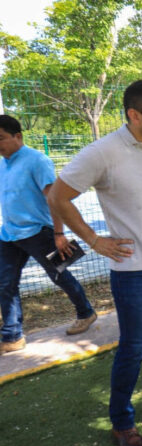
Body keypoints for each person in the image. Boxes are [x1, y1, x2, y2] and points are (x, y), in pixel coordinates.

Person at [48, 80, 142, 446]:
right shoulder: (103, 152)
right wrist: (95, 240)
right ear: (135, 115)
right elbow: (58, 194)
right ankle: (122, 423)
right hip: (133, 270)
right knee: (134, 346)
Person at [0, 115, 97, 354]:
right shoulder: (3, 163)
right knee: (5, 283)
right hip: (9, 234)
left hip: (38, 232)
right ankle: (12, 336)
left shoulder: (37, 161)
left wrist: (59, 233)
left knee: (59, 274)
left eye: (1, 138)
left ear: (18, 136)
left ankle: (85, 312)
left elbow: (54, 199)